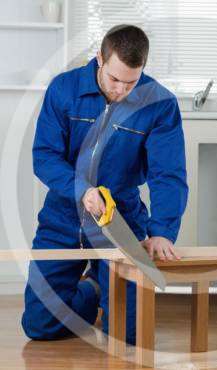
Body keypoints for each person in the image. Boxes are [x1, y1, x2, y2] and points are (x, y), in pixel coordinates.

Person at [21, 24, 188, 345]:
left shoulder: (159, 104)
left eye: (132, 81)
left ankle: (105, 280)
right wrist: (82, 189)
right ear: (100, 58)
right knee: (40, 326)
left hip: (121, 222)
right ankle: (93, 288)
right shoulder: (63, 89)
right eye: (114, 79)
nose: (121, 90)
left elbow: (168, 173)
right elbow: (45, 156)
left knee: (127, 336)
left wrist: (163, 230)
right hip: (62, 219)